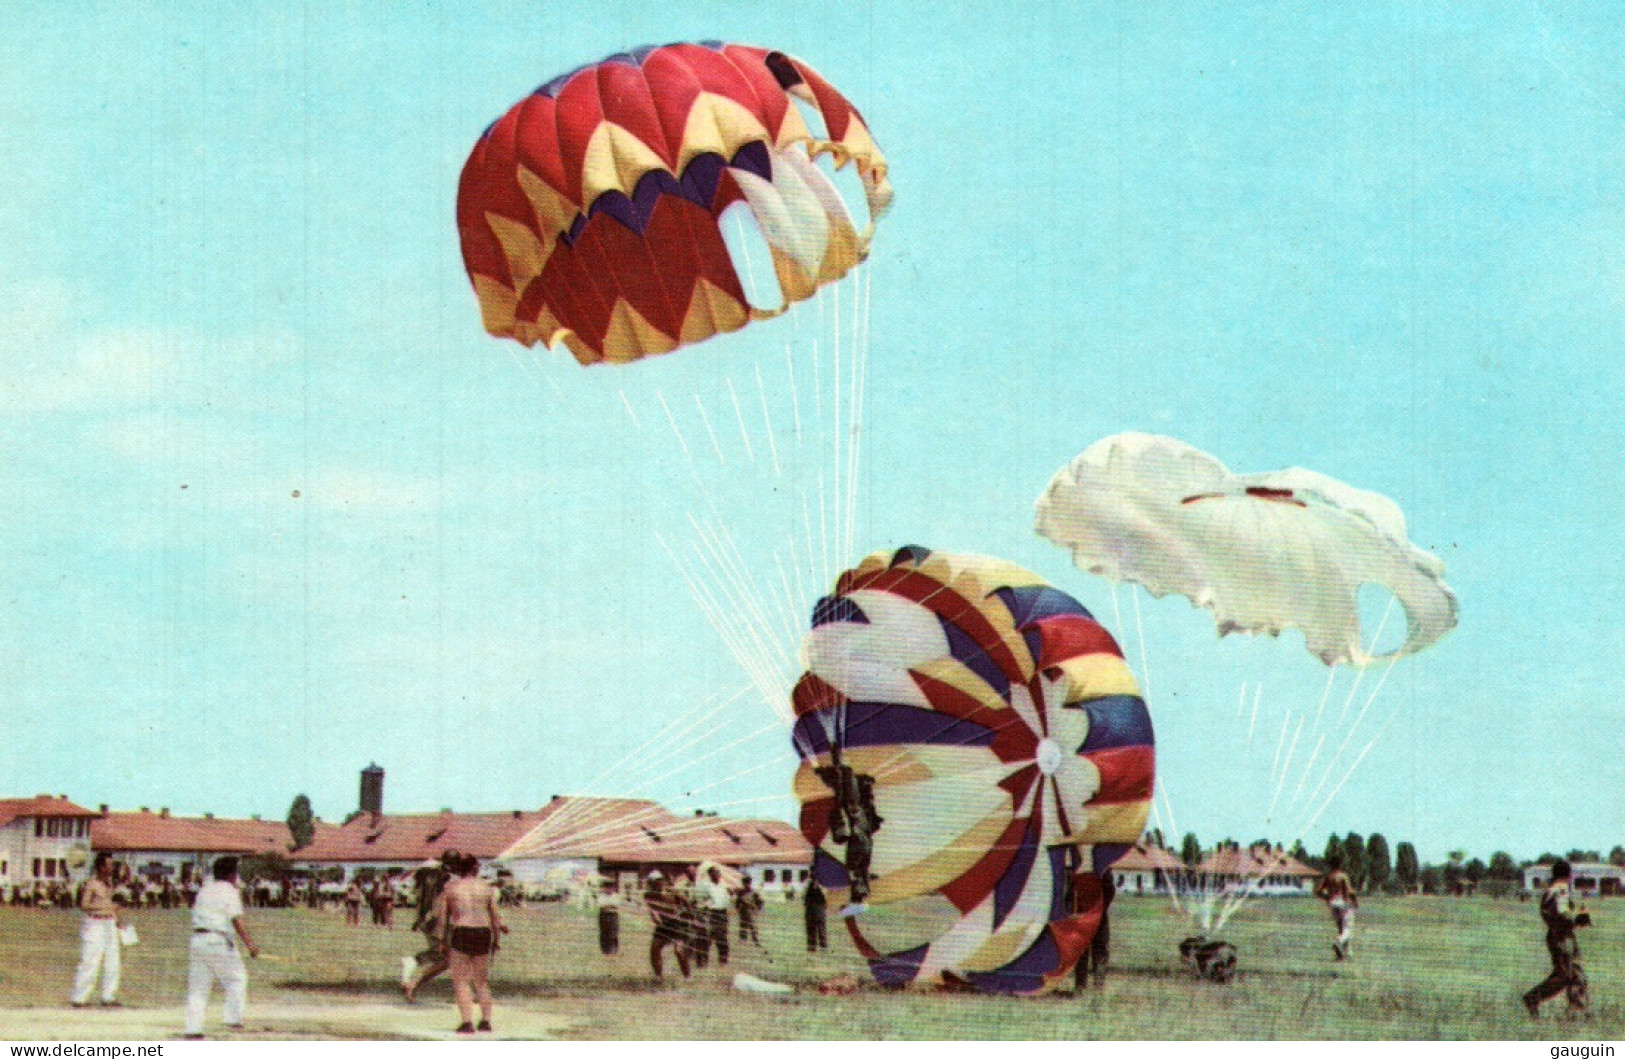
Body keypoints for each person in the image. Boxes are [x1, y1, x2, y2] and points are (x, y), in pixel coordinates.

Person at [184, 856, 260, 1040]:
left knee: (198, 988)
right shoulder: (229, 891)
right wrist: (250, 945)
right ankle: (233, 1019)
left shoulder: (205, 889)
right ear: (232, 874)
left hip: (198, 940)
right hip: (217, 940)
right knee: (237, 978)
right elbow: (236, 920)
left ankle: (193, 1028)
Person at [436, 853, 505, 1034]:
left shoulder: (451, 888)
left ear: (458, 869)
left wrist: (442, 941)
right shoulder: (486, 888)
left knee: (461, 981)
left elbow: (443, 918)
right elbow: (495, 917)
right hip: (483, 932)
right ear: (476, 868)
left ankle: (467, 1022)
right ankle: (485, 1021)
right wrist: (496, 940)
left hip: (462, 931)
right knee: (481, 981)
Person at [814, 745, 882, 915]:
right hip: (864, 838)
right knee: (860, 868)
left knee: (855, 868)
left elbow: (838, 780)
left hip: (858, 838)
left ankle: (858, 901)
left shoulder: (847, 783)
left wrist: (821, 769)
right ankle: (859, 900)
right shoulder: (861, 801)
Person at [1523, 859, 1591, 1019]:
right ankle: (1534, 998)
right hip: (1562, 936)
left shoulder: (1550, 890)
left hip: (1555, 935)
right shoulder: (1561, 890)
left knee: (1574, 975)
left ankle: (1577, 1011)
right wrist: (1580, 918)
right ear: (1569, 875)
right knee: (1566, 976)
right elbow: (1563, 914)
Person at [71, 853, 124, 1008]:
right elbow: (84, 905)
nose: (112, 868)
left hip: (109, 923)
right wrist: (105, 907)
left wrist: (117, 920)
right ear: (101, 867)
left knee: (113, 961)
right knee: (90, 960)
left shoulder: (109, 884)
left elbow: (110, 904)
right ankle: (80, 998)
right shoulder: (91, 884)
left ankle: (109, 997)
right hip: (94, 924)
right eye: (109, 865)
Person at [403, 851, 456, 1003]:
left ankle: (413, 966)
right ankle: (414, 979)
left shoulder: (430, 874)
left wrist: (419, 918)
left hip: (431, 918)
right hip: (436, 919)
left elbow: (423, 898)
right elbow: (436, 900)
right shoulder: (441, 876)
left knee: (449, 956)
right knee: (448, 959)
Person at [643, 872, 691, 980]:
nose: (658, 883)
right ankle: (658, 976)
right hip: (663, 925)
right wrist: (654, 916)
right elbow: (652, 909)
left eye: (660, 881)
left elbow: (686, 902)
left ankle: (687, 977)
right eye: (655, 882)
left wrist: (689, 916)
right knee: (654, 949)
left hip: (676, 923)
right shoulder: (648, 895)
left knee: (679, 951)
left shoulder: (671, 891)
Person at [1075, 871, 1116, 990]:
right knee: (1089, 952)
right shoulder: (1102, 868)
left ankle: (1087, 986)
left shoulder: (1081, 868)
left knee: (1094, 952)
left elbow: (1110, 891)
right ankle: (1089, 986)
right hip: (1090, 916)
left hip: (1090, 916)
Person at [1314, 855, 1359, 960]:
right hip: (1343, 903)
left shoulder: (1328, 877)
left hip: (1332, 903)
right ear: (1341, 864)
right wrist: (1355, 901)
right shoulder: (1343, 876)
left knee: (1341, 928)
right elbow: (1349, 891)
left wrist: (1327, 898)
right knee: (1348, 928)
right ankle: (1338, 943)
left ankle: (1345, 954)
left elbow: (1318, 891)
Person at [694, 865, 732, 967]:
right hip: (710, 914)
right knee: (706, 940)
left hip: (722, 914)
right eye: (715, 873)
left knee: (722, 940)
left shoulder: (723, 886)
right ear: (710, 874)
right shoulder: (705, 886)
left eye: (718, 873)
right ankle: (702, 963)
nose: (717, 875)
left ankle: (723, 963)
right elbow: (700, 901)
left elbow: (726, 901)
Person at [736, 876, 765, 947]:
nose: (746, 885)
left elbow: (760, 902)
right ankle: (743, 940)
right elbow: (737, 902)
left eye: (748, 883)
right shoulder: (741, 893)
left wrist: (758, 909)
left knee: (753, 926)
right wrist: (738, 908)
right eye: (745, 883)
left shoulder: (754, 893)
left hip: (752, 912)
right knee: (743, 926)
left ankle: (755, 940)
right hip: (743, 912)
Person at [596, 880, 621, 956]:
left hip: (613, 915)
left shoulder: (616, 896)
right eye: (607, 888)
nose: (609, 889)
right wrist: (610, 906)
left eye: (611, 888)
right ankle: (605, 950)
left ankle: (614, 949)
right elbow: (602, 906)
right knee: (604, 932)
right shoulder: (601, 896)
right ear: (604, 888)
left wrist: (609, 906)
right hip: (604, 915)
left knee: (614, 932)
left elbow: (616, 906)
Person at [803, 878, 828, 952]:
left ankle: (823, 946)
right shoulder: (808, 882)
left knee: (821, 926)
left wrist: (820, 886)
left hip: (819, 906)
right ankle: (811, 946)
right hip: (810, 906)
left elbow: (826, 893)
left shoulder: (824, 882)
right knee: (810, 926)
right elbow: (803, 893)